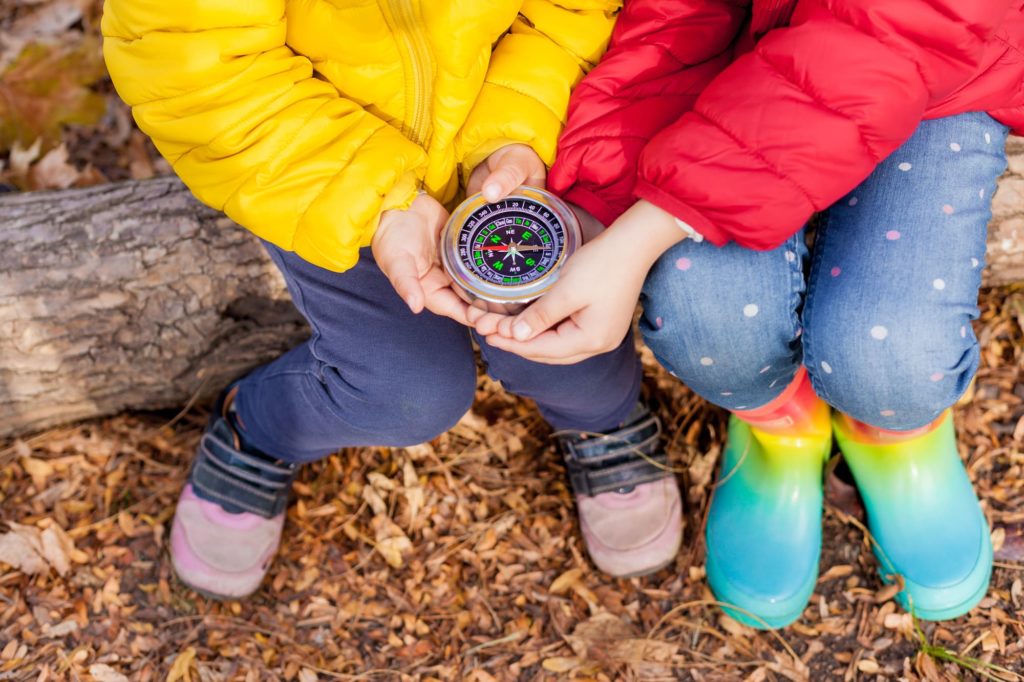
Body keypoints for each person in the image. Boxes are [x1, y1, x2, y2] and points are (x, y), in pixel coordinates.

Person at [101, 0, 686, 599]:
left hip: (508, 143)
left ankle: (600, 420)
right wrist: (380, 201)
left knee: (566, 334)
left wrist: (514, 132)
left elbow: (570, 13)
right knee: (406, 391)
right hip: (319, 169)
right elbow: (190, 68)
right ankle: (261, 427)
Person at [470, 0, 1024, 627]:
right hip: (741, 49)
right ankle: (783, 429)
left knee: (893, 352)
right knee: (703, 311)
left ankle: (896, 439)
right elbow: (671, 18)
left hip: (949, 64)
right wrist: (600, 199)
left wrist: (648, 228)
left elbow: (893, 33)